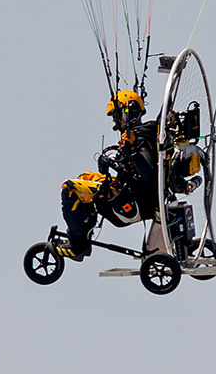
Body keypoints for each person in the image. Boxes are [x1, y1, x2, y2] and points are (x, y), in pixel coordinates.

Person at [58, 89, 159, 258]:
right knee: (85, 177)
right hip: (131, 189)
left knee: (69, 187)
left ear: (128, 113)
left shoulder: (141, 137)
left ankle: (77, 245)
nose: (113, 120)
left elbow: (148, 175)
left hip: (132, 201)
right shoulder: (144, 133)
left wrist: (132, 152)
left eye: (116, 114)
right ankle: (84, 234)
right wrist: (114, 162)